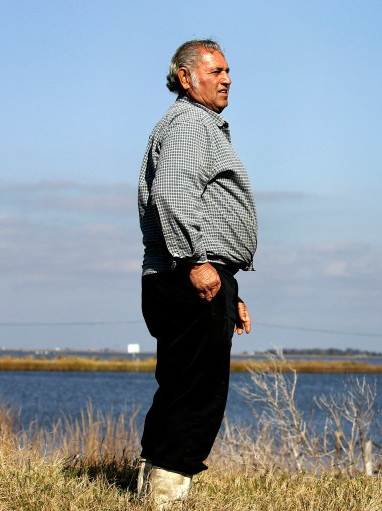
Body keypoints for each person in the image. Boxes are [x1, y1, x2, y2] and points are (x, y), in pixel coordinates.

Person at [136, 39, 258, 508]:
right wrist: (197, 263)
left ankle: (151, 488)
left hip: (189, 272)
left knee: (180, 384)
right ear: (186, 77)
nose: (226, 78)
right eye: (215, 71)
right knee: (198, 392)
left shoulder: (195, 124)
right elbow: (174, 193)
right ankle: (166, 496)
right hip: (187, 272)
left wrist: (233, 288)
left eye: (228, 71)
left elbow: (200, 206)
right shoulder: (191, 123)